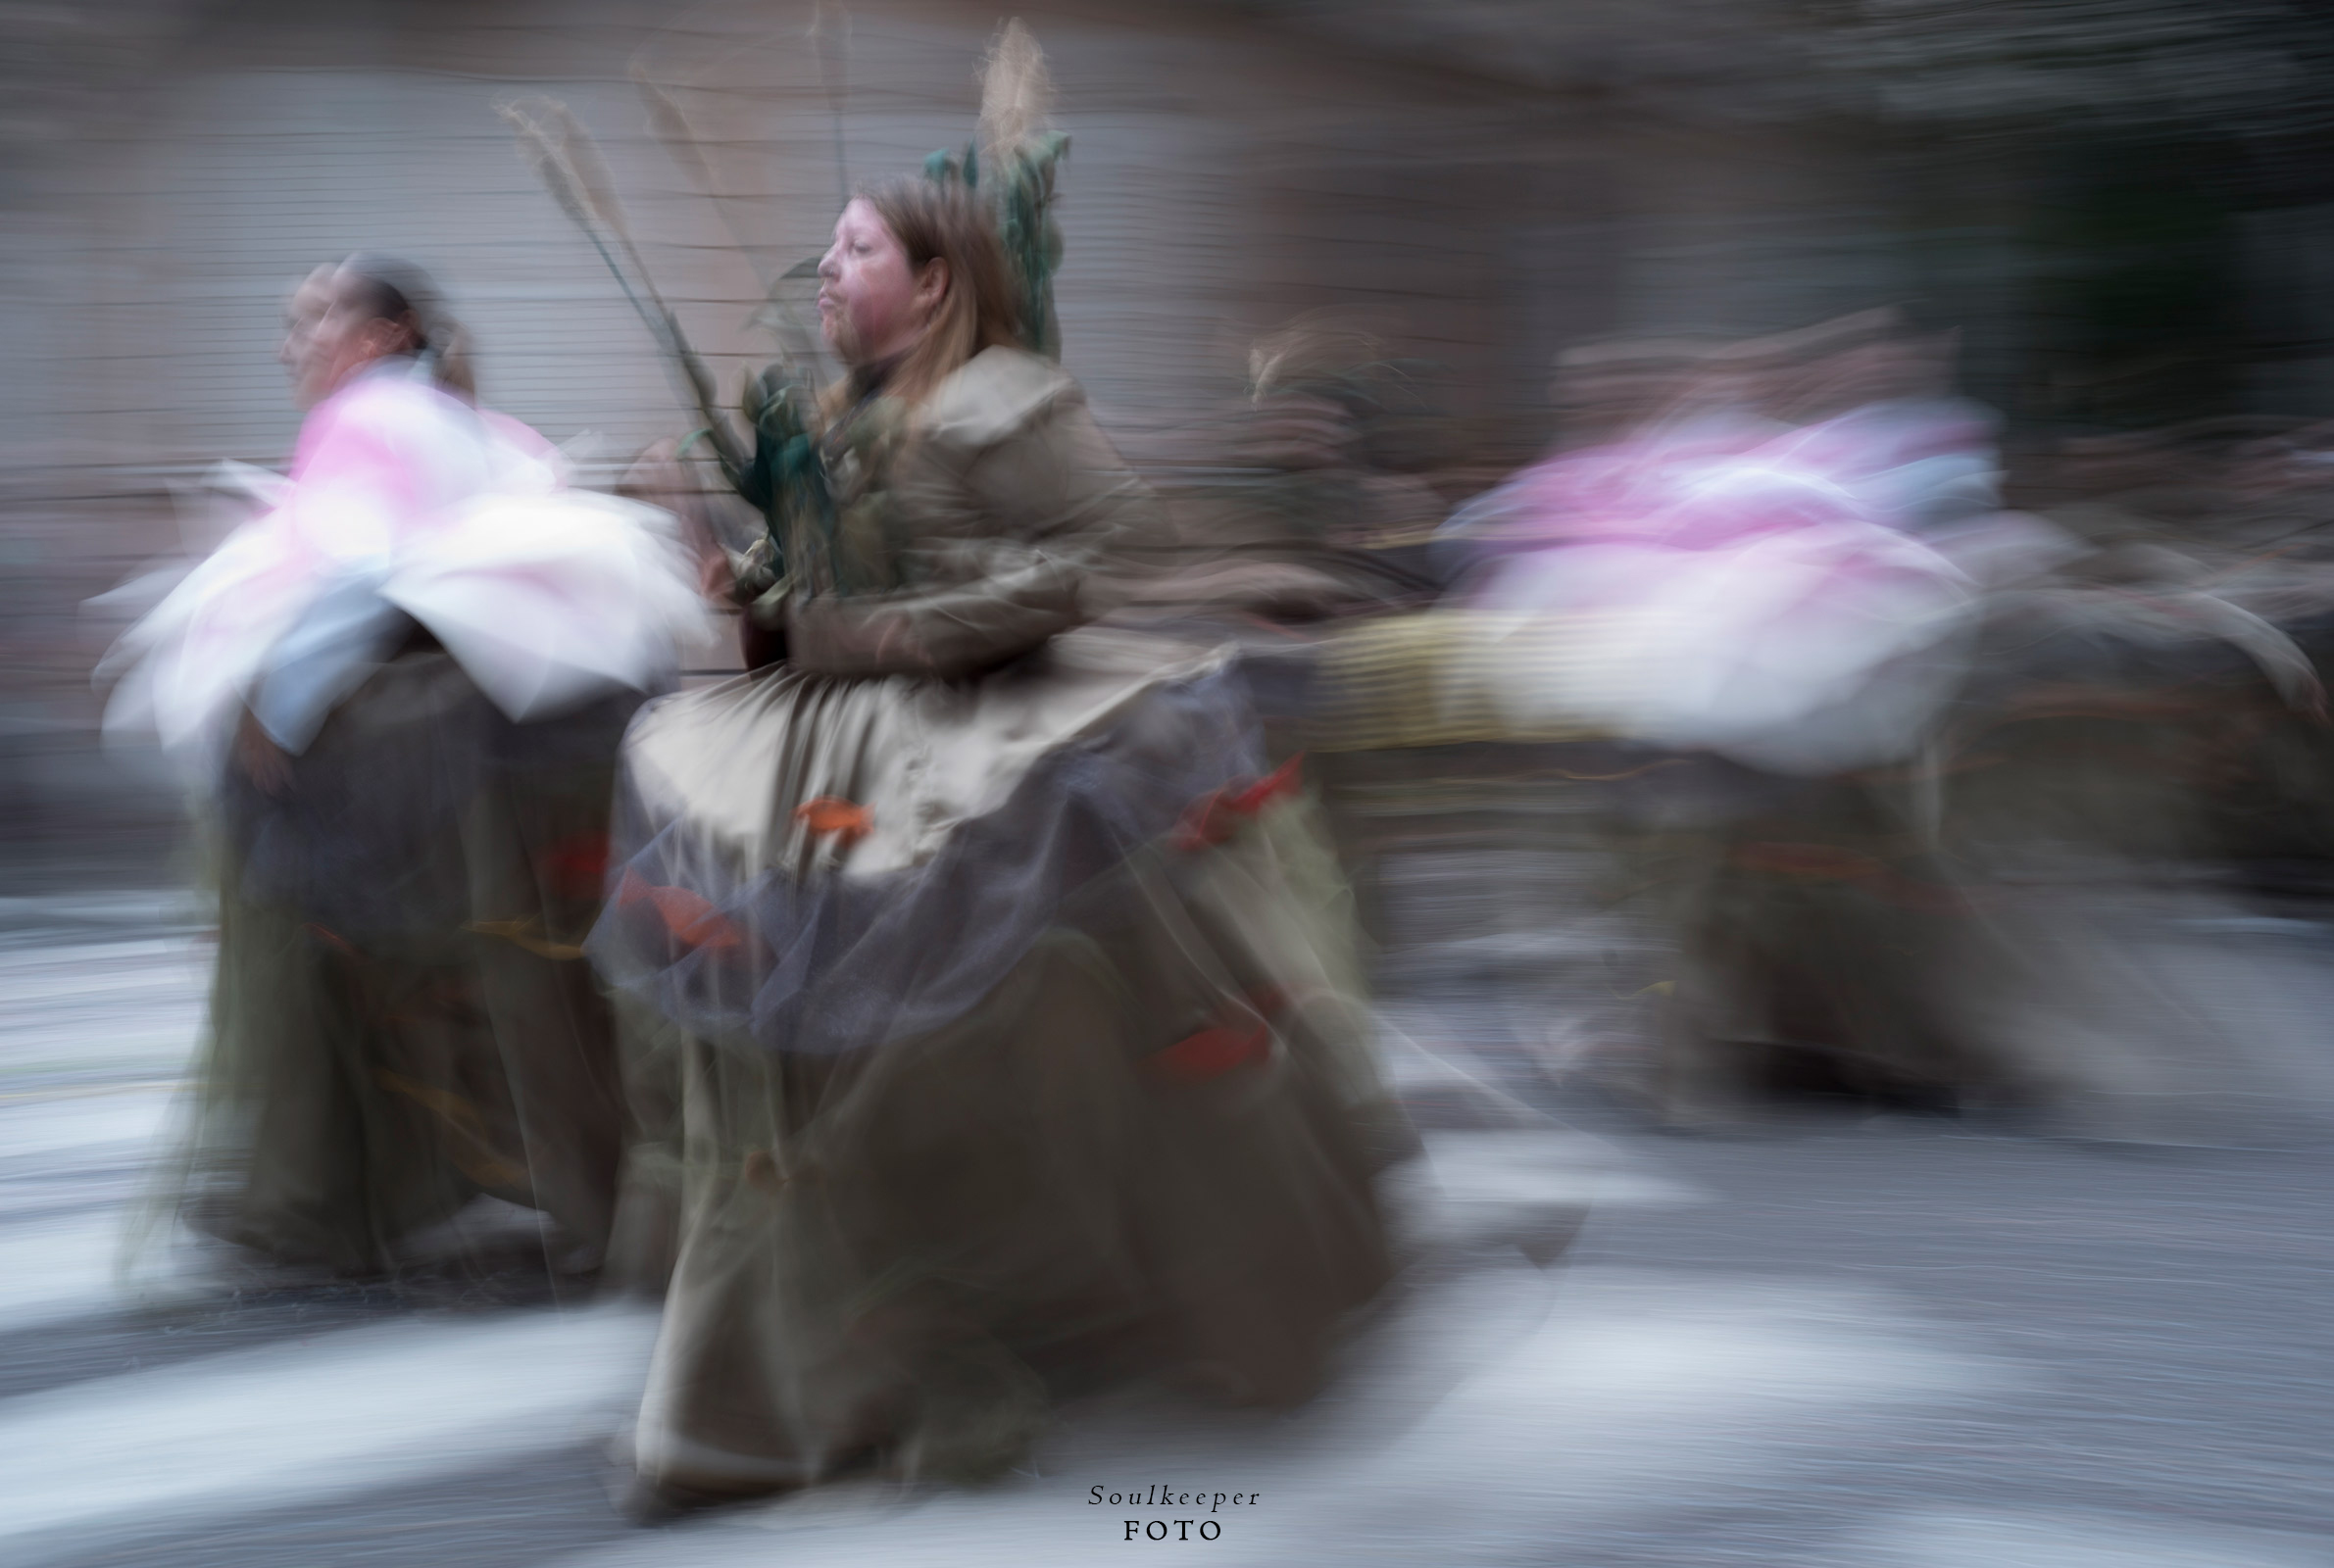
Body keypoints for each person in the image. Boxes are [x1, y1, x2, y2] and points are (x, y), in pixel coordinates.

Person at [587, 175, 1405, 1507]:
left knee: (1015, 1032)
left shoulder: (1010, 399)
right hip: (820, 749)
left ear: (938, 279)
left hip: (992, 755)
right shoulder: (840, 413)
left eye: (855, 249)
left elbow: (1087, 562)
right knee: (793, 1030)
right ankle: (817, 1341)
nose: (825, 268)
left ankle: (1046, 1298)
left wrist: (857, 632)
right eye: (827, 248)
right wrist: (747, 584)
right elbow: (825, 582)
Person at [109, 256, 703, 1282]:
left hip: (433, 757)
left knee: (316, 942)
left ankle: (332, 1190)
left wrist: (279, 713)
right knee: (532, 983)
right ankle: (584, 1194)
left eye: (313, 320)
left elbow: (357, 566)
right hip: (540, 746)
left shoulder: (367, 419)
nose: (289, 345)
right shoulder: (468, 420)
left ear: (382, 336)